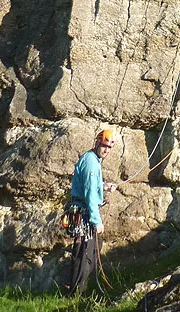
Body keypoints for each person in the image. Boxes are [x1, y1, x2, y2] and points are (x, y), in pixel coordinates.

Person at [67, 126, 116, 295]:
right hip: (84, 212)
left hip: (81, 209)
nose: (106, 150)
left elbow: (91, 186)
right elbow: (89, 195)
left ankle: (79, 289)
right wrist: (97, 221)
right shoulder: (91, 163)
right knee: (85, 252)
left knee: (86, 249)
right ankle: (77, 292)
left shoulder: (92, 160)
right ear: (97, 142)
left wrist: (104, 187)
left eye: (109, 147)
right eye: (104, 146)